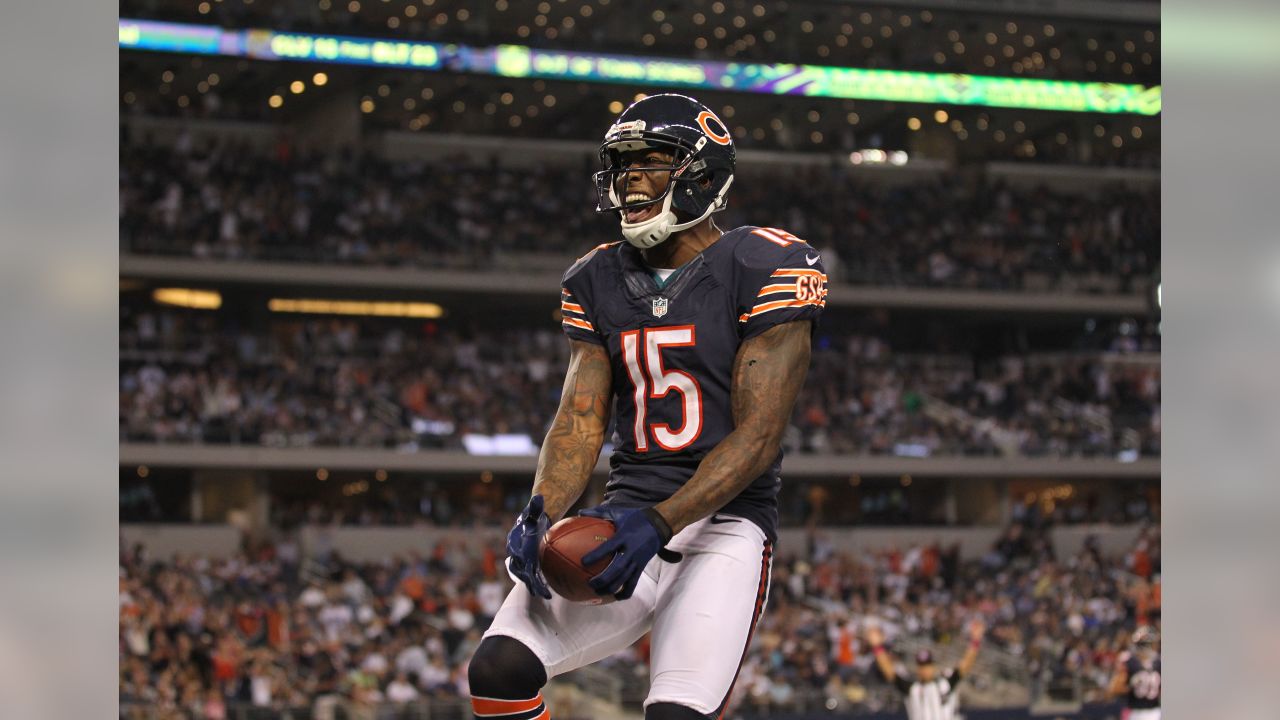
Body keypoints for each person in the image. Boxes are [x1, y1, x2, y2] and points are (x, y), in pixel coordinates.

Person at [467, 93, 827, 720]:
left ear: (701, 174)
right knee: (498, 671)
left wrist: (662, 522)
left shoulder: (762, 263)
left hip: (723, 529)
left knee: (674, 714)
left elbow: (760, 436)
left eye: (653, 161)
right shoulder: (594, 277)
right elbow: (579, 420)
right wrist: (544, 510)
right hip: (625, 516)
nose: (632, 177)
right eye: (623, 164)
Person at [864, 620, 985, 720]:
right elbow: (889, 671)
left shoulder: (945, 683)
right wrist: (877, 647)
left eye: (927, 666)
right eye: (922, 666)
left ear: (933, 667)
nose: (925, 670)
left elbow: (964, 666)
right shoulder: (912, 688)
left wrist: (975, 641)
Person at [1108, 626, 1161, 720]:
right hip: (1147, 712)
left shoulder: (1129, 660)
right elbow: (1114, 689)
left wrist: (1133, 684)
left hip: (1142, 711)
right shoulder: (1157, 662)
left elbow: (1113, 689)